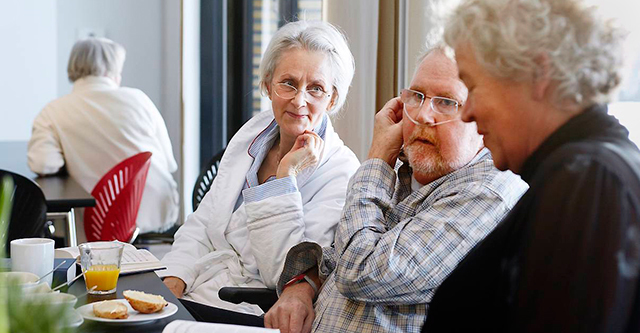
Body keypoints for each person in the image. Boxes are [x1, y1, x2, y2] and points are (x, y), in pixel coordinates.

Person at [264, 45, 528, 333]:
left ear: (486, 115)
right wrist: (303, 284)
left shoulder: (488, 192)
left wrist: (377, 159)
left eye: (447, 102)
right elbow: (343, 253)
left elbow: (360, 271)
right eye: (416, 96)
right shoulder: (408, 173)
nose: (424, 116)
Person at [424, 0, 640, 332]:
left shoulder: (586, 180)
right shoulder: (587, 171)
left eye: (474, 86)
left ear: (539, 74)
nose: (466, 113)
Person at [159, 20, 361, 324]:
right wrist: (175, 276)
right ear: (268, 85)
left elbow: (283, 272)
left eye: (316, 88)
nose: (299, 100)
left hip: (247, 308)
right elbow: (205, 220)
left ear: (332, 98)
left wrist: (285, 177)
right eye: (288, 83)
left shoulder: (342, 171)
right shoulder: (252, 136)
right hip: (198, 291)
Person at [27, 37, 179, 234]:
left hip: (98, 224)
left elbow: (44, 164)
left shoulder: (53, 111)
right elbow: (169, 163)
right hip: (156, 210)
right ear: (110, 70)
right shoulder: (139, 100)